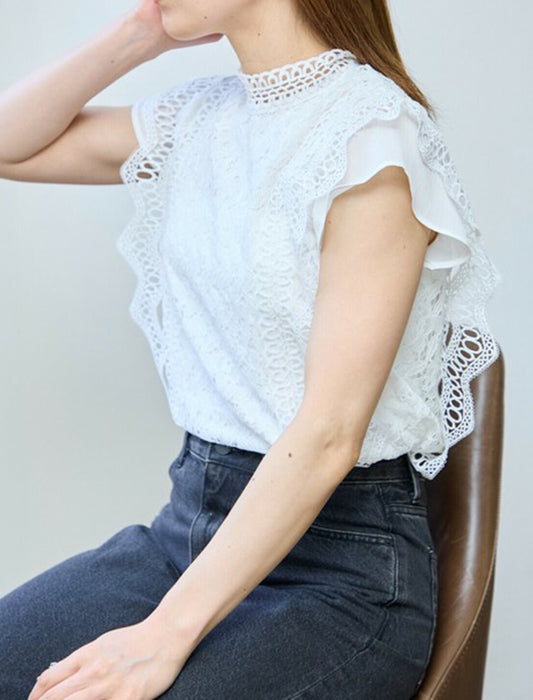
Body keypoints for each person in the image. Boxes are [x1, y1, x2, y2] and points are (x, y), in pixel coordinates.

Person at [0, 0, 502, 698]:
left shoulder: (369, 135)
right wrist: (140, 31)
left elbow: (329, 433)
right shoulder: (200, 118)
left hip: (340, 575)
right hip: (186, 533)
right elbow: (9, 146)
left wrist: (161, 637)